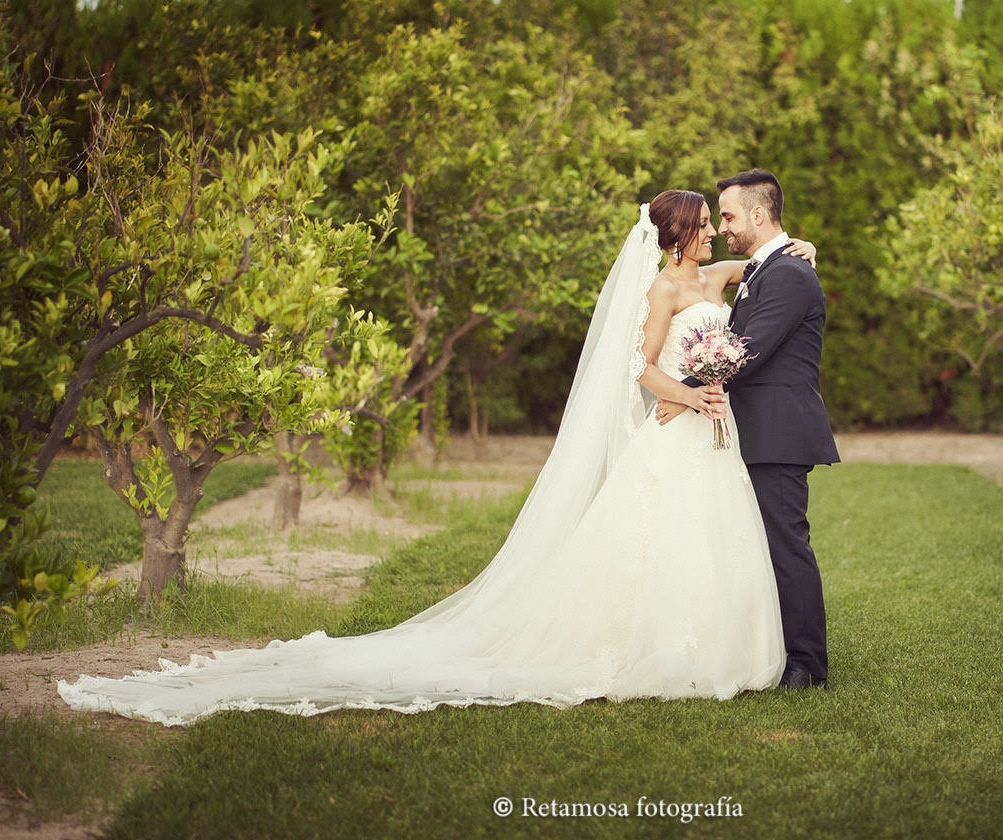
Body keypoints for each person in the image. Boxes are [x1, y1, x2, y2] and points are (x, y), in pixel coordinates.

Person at [57, 191, 818, 725]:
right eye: (707, 226)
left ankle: (723, 650)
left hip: (712, 444)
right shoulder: (658, 290)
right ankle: (649, 651)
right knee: (652, 542)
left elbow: (758, 273)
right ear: (683, 230)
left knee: (709, 543)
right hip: (680, 428)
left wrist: (798, 254)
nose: (718, 233)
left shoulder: (713, 276)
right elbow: (638, 372)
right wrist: (692, 393)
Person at [657, 169, 840, 689]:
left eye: (731, 216)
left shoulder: (785, 273)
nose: (724, 227)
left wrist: (683, 391)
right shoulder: (768, 267)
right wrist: (683, 392)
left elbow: (746, 350)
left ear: (759, 214)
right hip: (755, 430)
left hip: (778, 432)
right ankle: (775, 652)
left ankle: (806, 666)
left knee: (785, 547)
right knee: (761, 546)